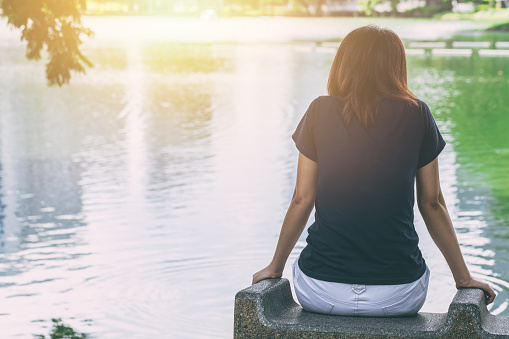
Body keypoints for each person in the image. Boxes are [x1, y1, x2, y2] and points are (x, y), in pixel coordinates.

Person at [252, 25, 496, 317]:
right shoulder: (418, 114)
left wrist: (274, 268)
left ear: (343, 63)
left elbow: (302, 199)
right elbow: (432, 203)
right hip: (398, 294)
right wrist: (463, 279)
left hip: (320, 289)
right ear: (396, 66)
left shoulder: (319, 110)